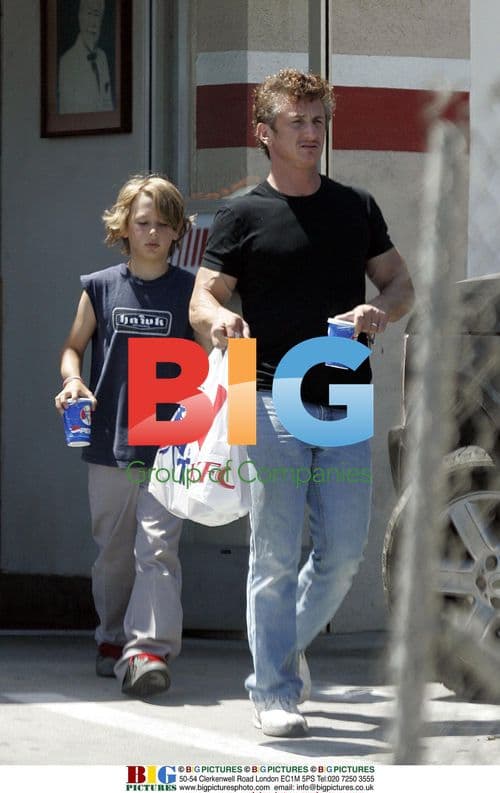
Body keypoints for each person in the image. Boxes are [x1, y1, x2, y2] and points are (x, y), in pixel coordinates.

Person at [189, 69, 415, 737]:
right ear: (265, 133)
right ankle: (275, 688)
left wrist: (383, 308)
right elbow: (203, 295)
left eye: (319, 121)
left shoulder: (356, 206)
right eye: (298, 122)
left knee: (344, 549)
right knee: (276, 548)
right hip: (261, 389)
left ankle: (282, 652)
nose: (312, 133)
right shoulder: (242, 214)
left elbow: (401, 281)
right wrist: (216, 322)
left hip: (342, 383)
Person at [55, 174, 193, 698]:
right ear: (125, 227)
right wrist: (73, 380)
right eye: (143, 223)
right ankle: (112, 637)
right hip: (109, 443)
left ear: (178, 230)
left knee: (157, 549)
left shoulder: (192, 291)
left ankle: (148, 651)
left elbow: (223, 356)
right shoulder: (100, 286)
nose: (153, 233)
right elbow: (72, 347)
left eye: (163, 224)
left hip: (172, 447)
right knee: (113, 552)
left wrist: (236, 421)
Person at [58, 0, 113, 114]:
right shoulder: (66, 62)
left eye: (97, 15)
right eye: (89, 14)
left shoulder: (103, 57)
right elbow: (67, 114)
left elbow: (108, 106)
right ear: (80, 17)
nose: (93, 23)